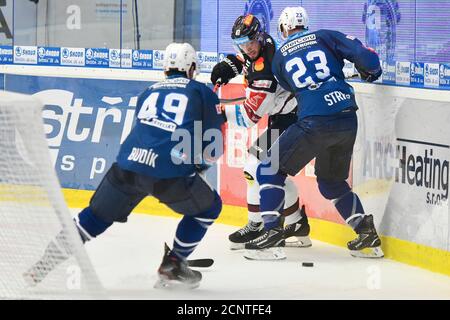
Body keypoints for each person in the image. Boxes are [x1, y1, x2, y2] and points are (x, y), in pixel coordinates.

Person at [24, 42, 225, 289]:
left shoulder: (148, 92)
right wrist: (200, 164)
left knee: (91, 219)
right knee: (210, 208)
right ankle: (174, 263)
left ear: (165, 69)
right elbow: (214, 145)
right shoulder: (201, 91)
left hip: (127, 165)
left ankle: (42, 265)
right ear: (192, 67)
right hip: (167, 172)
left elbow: (149, 131)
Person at [246, 7, 384, 260]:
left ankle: (270, 238)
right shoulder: (326, 36)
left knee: (268, 170)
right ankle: (366, 235)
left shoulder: (278, 59)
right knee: (331, 183)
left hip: (315, 121)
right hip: (346, 118)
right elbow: (367, 58)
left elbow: (293, 89)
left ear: (284, 29)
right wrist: (371, 72)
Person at [210, 14, 311, 255]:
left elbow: (248, 117)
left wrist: (220, 112)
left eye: (249, 43)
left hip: (292, 119)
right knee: (263, 170)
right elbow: (248, 58)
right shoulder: (265, 41)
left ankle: (259, 225)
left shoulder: (264, 71)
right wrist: (232, 63)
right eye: (241, 44)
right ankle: (296, 222)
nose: (247, 48)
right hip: (288, 114)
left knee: (257, 168)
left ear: (258, 36)